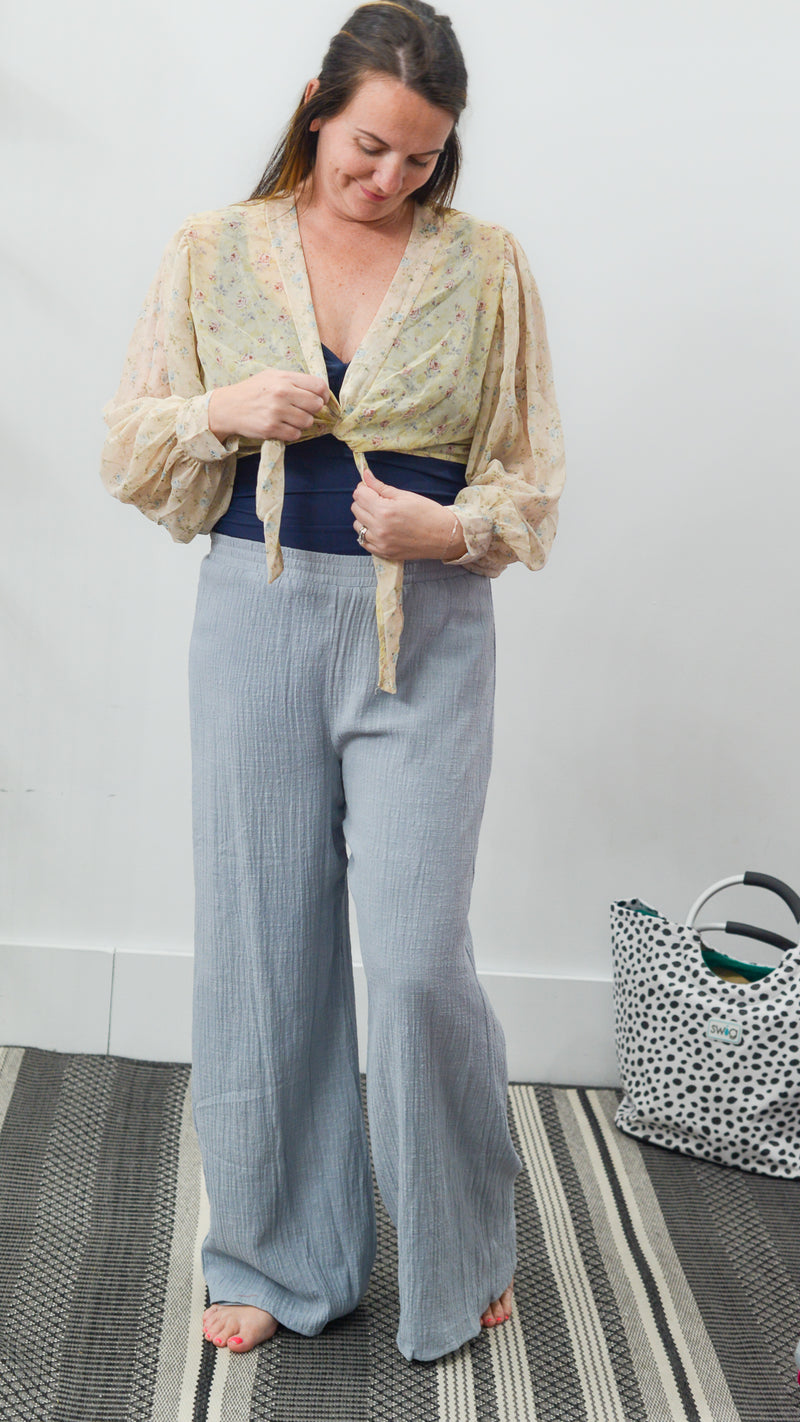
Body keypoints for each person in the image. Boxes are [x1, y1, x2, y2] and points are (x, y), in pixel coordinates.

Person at [100, 0, 564, 1363]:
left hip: (429, 631)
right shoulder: (213, 248)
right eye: (370, 147)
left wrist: (450, 529)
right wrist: (221, 410)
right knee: (263, 944)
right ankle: (274, 1252)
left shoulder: (487, 266)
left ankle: (460, 1243)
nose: (390, 178)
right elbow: (130, 444)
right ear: (317, 106)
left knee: (416, 959)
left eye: (422, 157)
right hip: (257, 616)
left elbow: (530, 476)